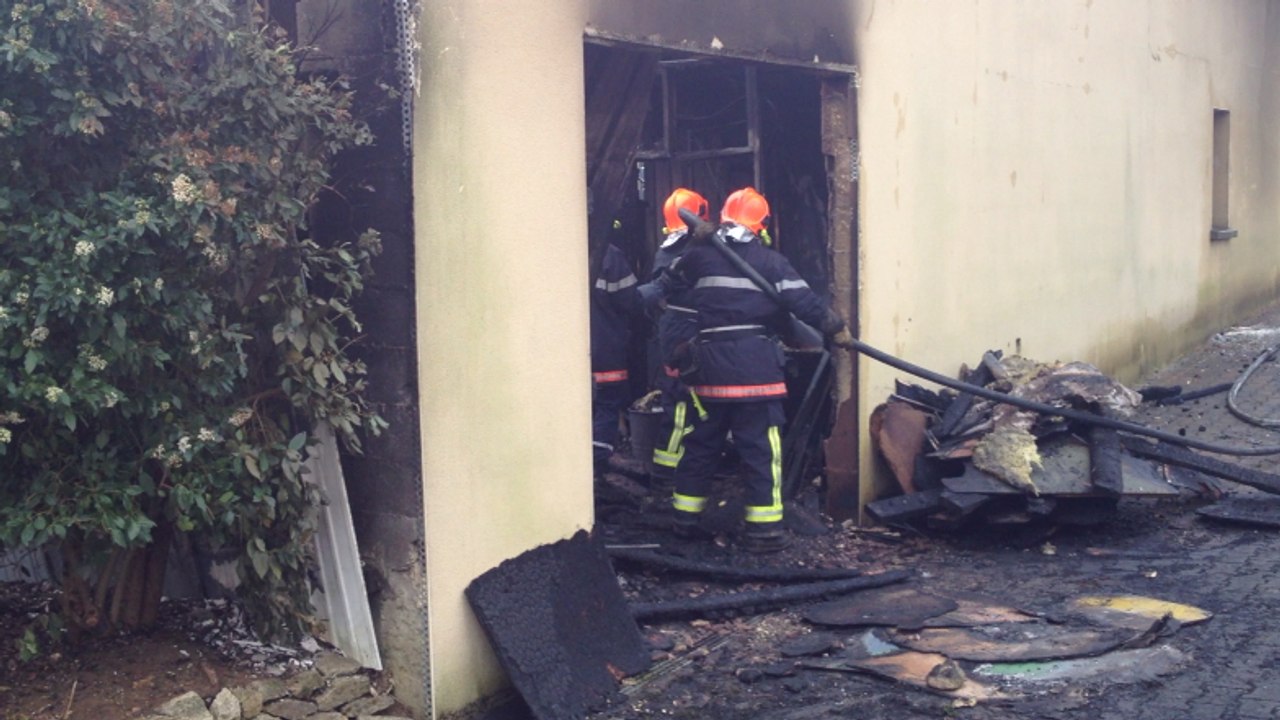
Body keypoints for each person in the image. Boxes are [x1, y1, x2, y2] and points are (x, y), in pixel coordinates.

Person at [665, 187, 854, 553]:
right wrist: (837, 329)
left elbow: (671, 279)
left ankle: (684, 520)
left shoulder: (701, 258)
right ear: (762, 224)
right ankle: (764, 531)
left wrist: (695, 245)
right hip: (756, 373)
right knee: (760, 451)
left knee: (700, 446)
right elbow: (805, 304)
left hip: (709, 372)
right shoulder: (771, 263)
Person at [641, 188, 711, 492]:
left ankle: (674, 467)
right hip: (684, 330)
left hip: (676, 328)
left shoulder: (669, 246)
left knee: (685, 399)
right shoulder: (686, 250)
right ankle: (668, 474)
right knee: (682, 402)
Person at [590, 223, 641, 475]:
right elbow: (631, 301)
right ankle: (597, 464)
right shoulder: (611, 256)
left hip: (562, 355)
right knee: (607, 404)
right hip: (604, 350)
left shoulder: (550, 253)